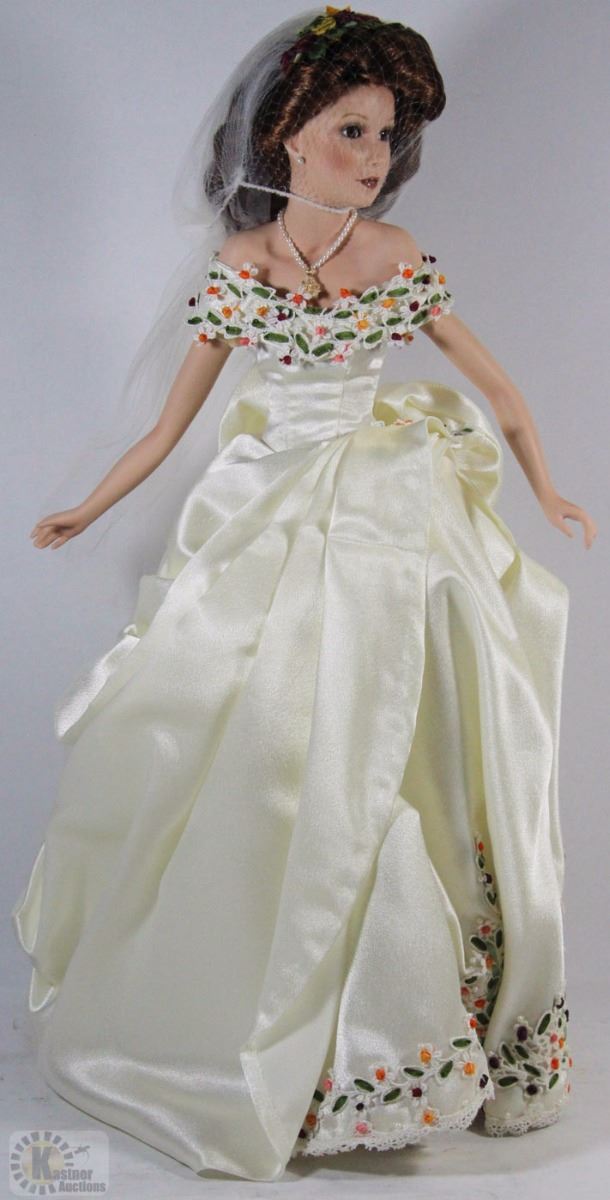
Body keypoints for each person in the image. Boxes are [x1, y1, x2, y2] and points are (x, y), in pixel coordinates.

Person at [13, 4, 596, 1184]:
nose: (374, 157)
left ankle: (404, 1023)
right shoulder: (244, 266)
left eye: (386, 135)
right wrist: (88, 506)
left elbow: (501, 390)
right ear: (284, 132)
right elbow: (167, 428)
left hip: (385, 507)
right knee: (263, 737)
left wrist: (546, 487)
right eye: (351, 130)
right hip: (272, 507)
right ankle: (249, 1000)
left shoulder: (395, 256)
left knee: (398, 736)